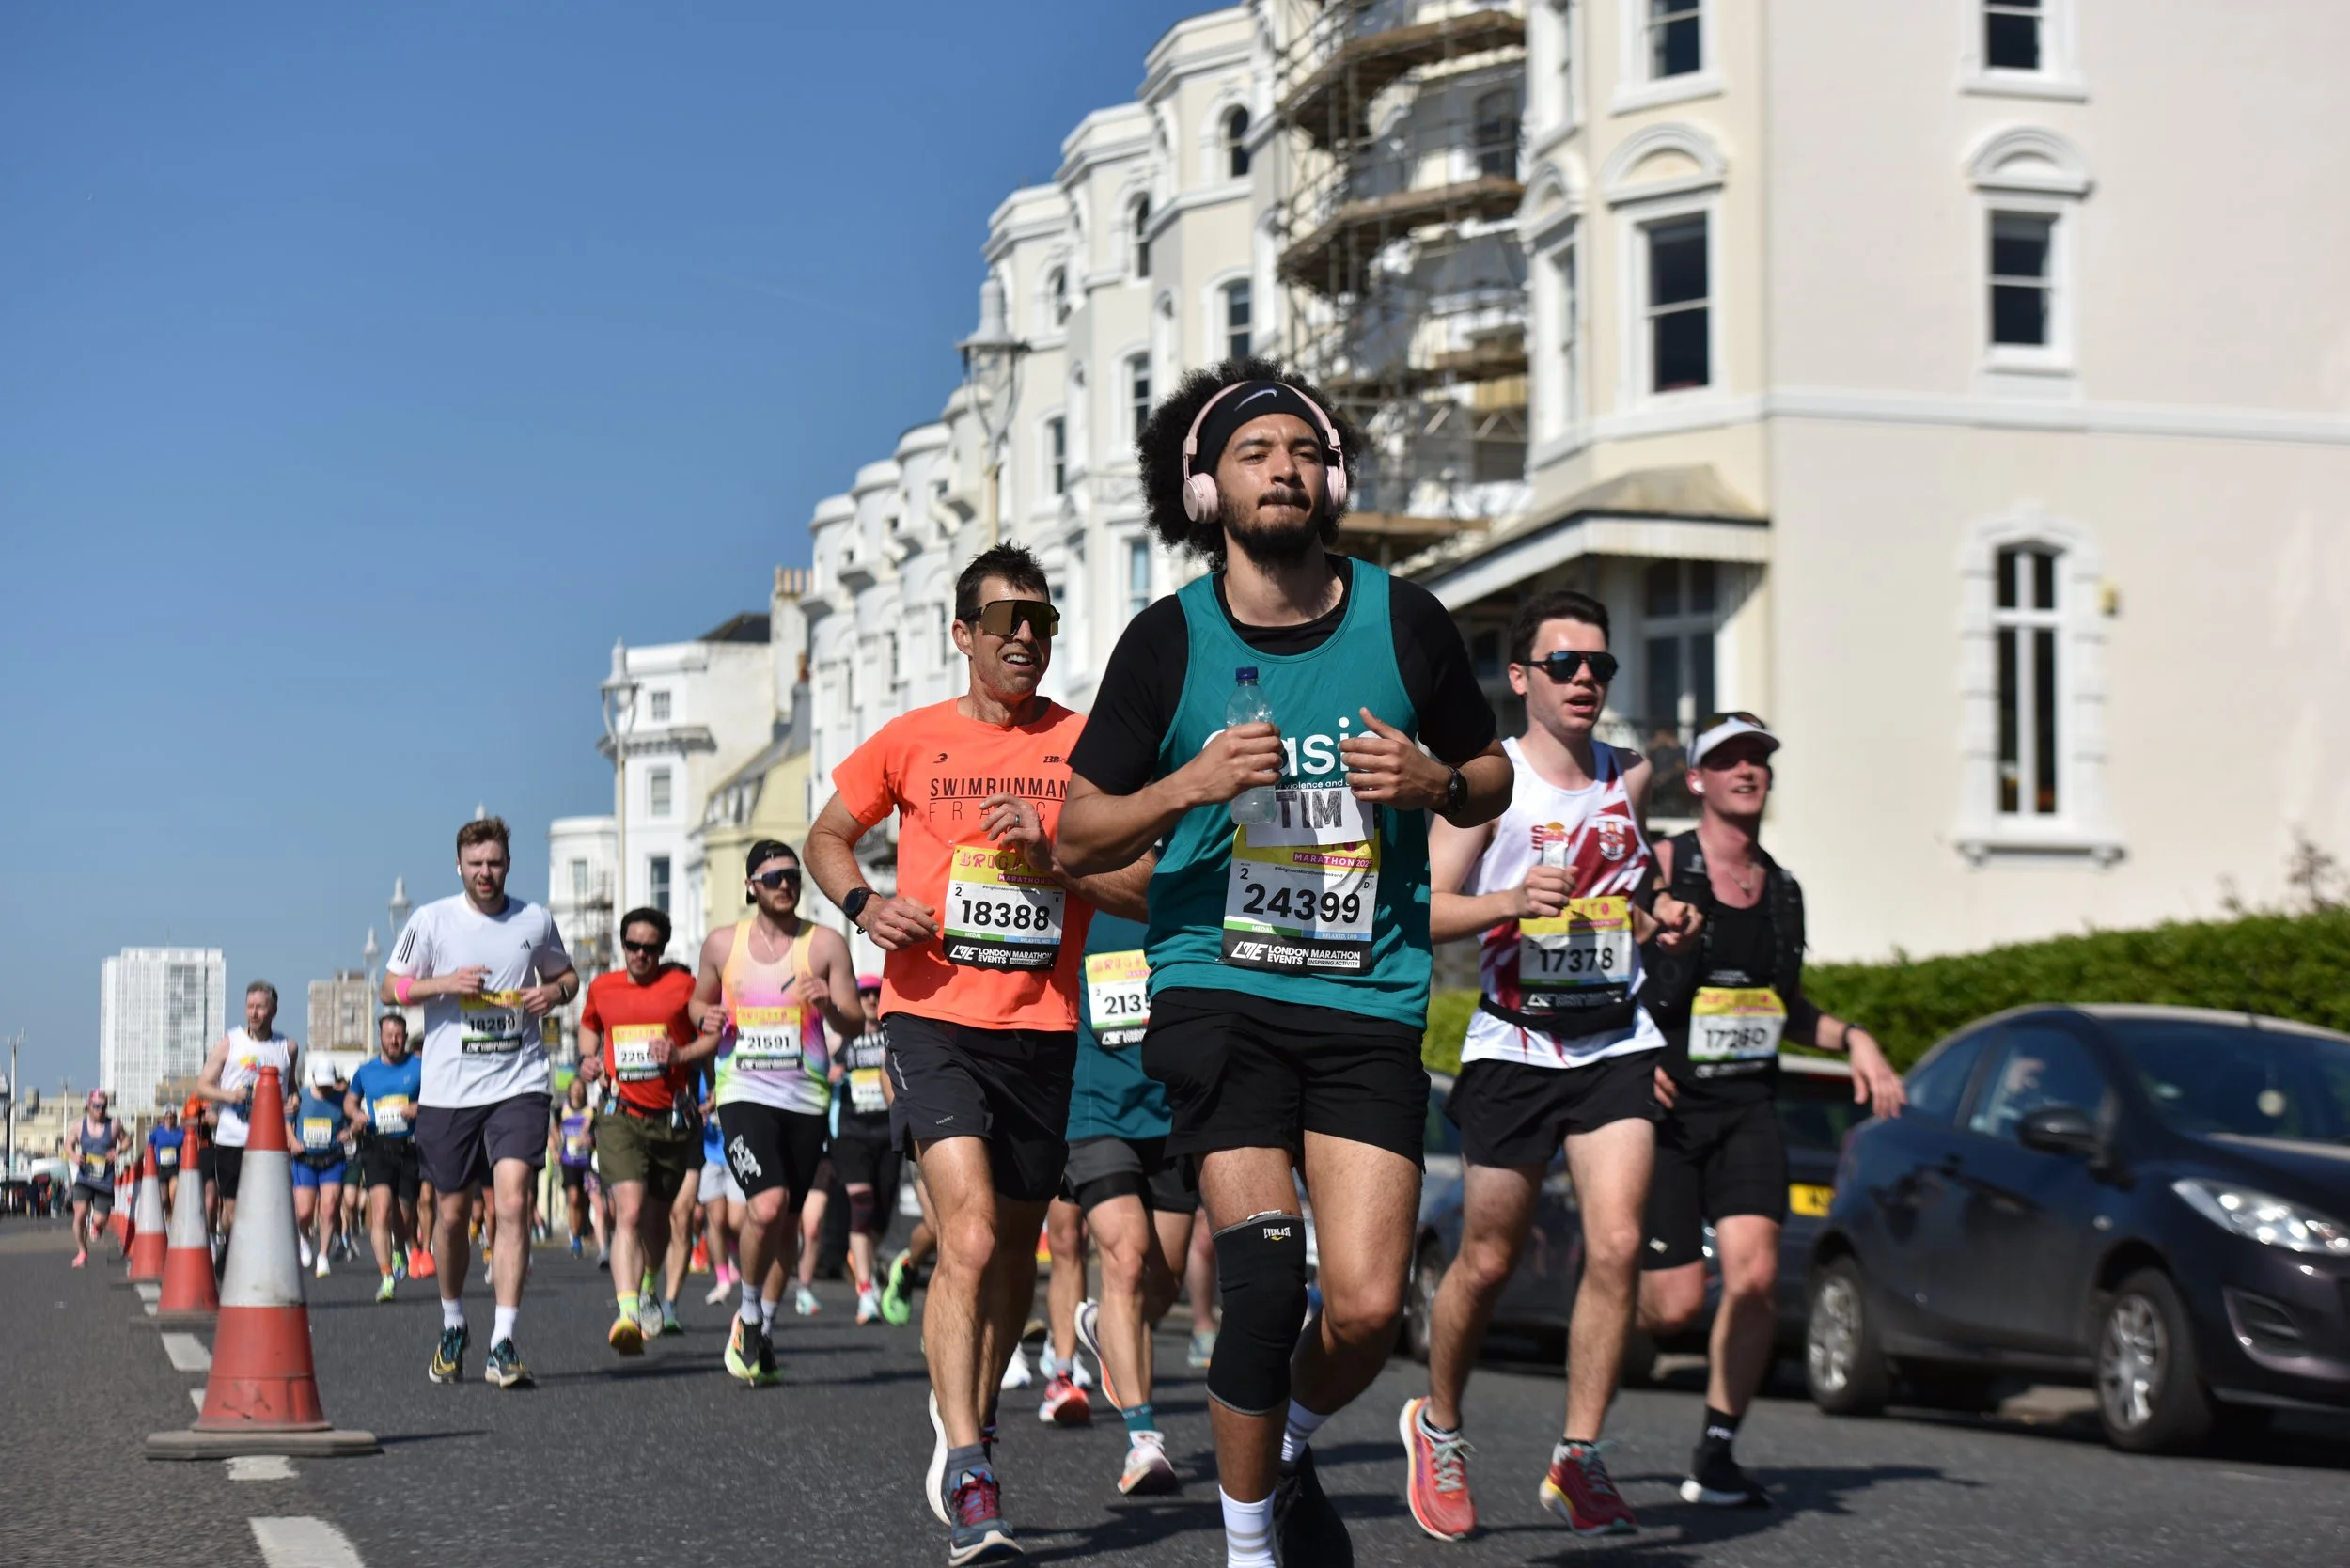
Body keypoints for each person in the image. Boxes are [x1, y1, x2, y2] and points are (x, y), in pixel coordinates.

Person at [1058, 360, 1512, 1568]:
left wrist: (1436, 783)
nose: (1284, 470)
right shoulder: (1168, 641)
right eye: (1256, 454)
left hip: (1366, 994)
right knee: (1262, 1284)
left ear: (1333, 480)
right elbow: (1078, 834)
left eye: (1305, 452)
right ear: (1207, 489)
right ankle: (1251, 1548)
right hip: (1220, 985)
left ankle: (1292, 1438)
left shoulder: (1402, 620)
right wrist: (1188, 784)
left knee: (1363, 1308)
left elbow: (1490, 775)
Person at [804, 542, 1151, 1566]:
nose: (1026, 639)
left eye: (1042, 621)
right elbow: (827, 836)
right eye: (1007, 623)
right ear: (963, 634)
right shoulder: (911, 741)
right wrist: (865, 904)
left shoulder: (1087, 747)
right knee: (965, 1236)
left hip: (1042, 1028)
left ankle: (974, 1418)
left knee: (1010, 1255)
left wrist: (1057, 858)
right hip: (931, 1017)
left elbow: (1144, 886)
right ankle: (969, 1469)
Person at [1399, 588, 1702, 1540]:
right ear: (1521, 676)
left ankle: (1580, 1456)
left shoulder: (1629, 776)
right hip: (1515, 1042)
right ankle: (1439, 1425)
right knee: (1488, 1258)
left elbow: (1623, 894)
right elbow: (1422, 908)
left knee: (1615, 1245)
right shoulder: (1488, 783)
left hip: (1614, 1039)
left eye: (1598, 666)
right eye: (1563, 664)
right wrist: (1510, 902)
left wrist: (1658, 917)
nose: (1583, 680)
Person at [1635, 713, 1907, 1507]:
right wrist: (1630, 1054)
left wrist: (1853, 1038)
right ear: (1698, 780)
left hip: (1749, 1105)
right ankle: (1608, 1284)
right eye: (1729, 760)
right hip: (1667, 1107)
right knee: (1674, 1307)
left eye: (1757, 759)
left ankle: (1717, 1452)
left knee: (1754, 1278)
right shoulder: (1662, 866)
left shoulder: (1782, 890)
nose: (1747, 771)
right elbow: (1606, 966)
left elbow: (1782, 1006)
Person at [382, 815, 577, 1389]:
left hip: (519, 1082)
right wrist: (443, 984)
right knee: (451, 1215)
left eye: (494, 863)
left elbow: (568, 977)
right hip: (450, 1090)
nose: (485, 872)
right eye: (475, 864)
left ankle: (504, 1341)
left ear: (508, 864)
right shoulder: (431, 921)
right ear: (459, 867)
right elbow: (390, 986)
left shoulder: (535, 919)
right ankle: (454, 1322)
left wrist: (553, 992)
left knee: (513, 1202)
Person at [691, 839, 861, 1388]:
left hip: (806, 1098)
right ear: (751, 887)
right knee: (767, 1206)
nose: (785, 885)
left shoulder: (825, 943)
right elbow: (697, 1002)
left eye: (792, 876)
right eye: (772, 878)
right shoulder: (723, 944)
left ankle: (765, 1327)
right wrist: (705, 1016)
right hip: (742, 1092)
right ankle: (746, 1314)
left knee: (787, 1222)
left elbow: (855, 1022)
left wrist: (828, 1003)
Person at [1063, 908, 1195, 1497]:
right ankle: (1144, 1440)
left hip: (1173, 1114)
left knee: (1163, 1283)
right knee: (1126, 1255)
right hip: (1095, 1112)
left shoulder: (1185, 895)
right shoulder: (1080, 899)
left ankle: (1102, 1325)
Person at [582, 904, 711, 1353]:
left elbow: (710, 1036)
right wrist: (589, 1058)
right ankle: (627, 1313)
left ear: (662, 949)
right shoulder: (603, 987)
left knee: (658, 1221)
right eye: (633, 946)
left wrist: (684, 1058)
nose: (640, 955)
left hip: (670, 1119)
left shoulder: (684, 987)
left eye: (650, 948)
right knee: (630, 1212)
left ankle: (650, 1286)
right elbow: (589, 1025)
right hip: (620, 1113)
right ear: (623, 945)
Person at [196, 981, 301, 1240]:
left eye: (260, 1007)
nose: (254, 1013)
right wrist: (230, 1095)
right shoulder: (230, 1043)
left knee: (266, 1206)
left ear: (273, 1010)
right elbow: (202, 1087)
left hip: (270, 1142)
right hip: (233, 1137)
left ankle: (254, 1254)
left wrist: (294, 1099)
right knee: (232, 1208)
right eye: (250, 1006)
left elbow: (291, 1086)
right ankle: (230, 1246)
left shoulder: (287, 1047)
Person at [830, 974, 895, 1324]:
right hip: (851, 1131)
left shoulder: (893, 1033)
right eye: (864, 994)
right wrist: (828, 1070)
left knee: (880, 1213)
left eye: (876, 993)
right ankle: (866, 1290)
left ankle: (862, 1257)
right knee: (862, 1204)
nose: (871, 998)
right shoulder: (841, 1034)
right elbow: (815, 1062)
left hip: (887, 1131)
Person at [349, 1012, 425, 1302]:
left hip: (410, 1147)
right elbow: (350, 1101)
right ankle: (386, 1277)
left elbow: (440, 1096)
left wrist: (419, 1106)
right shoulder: (366, 1071)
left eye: (399, 1036)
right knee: (380, 1210)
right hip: (376, 1145)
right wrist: (355, 1115)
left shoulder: (420, 1066)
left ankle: (398, 1249)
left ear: (405, 1038)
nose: (394, 1040)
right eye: (389, 1035)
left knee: (403, 1217)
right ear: (379, 1037)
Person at [290, 1058, 352, 1279]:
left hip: (332, 1159)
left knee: (328, 1208)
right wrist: (293, 1142)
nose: (325, 1088)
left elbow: (356, 1120)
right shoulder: (300, 1097)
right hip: (305, 1159)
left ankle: (323, 1256)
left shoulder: (342, 1099)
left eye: (328, 1084)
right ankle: (304, 1237)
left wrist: (350, 1132)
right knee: (304, 1211)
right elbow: (286, 1121)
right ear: (313, 1078)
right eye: (321, 1084)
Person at [67, 1092, 125, 1267]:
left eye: (104, 1107)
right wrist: (74, 1156)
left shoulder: (113, 1125)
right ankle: (82, 1252)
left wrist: (118, 1151)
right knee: (79, 1215)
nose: (100, 1110)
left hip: (104, 1181)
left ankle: (96, 1225)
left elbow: (127, 1140)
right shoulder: (80, 1126)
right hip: (84, 1178)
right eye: (97, 1106)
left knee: (100, 1220)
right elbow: (68, 1144)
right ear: (89, 1106)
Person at [552, 1078, 596, 1257]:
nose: (577, 1092)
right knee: (574, 1197)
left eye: (580, 1088)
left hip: (587, 1161)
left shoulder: (591, 1111)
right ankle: (576, 1239)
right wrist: (556, 1149)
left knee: (585, 1200)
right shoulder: (562, 1111)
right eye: (574, 1089)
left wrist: (590, 1139)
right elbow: (554, 1130)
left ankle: (584, 1226)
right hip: (569, 1161)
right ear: (569, 1091)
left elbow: (597, 1133)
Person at [148, 1109, 186, 1214]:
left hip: (174, 1168)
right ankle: (167, 1218)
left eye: (171, 1117)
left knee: (174, 1196)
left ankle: (173, 1221)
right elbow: (149, 1147)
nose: (169, 1119)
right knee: (164, 1200)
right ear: (164, 1118)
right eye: (167, 1117)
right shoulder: (157, 1132)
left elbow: (189, 1144)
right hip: (161, 1168)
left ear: (175, 1119)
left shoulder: (181, 1132)